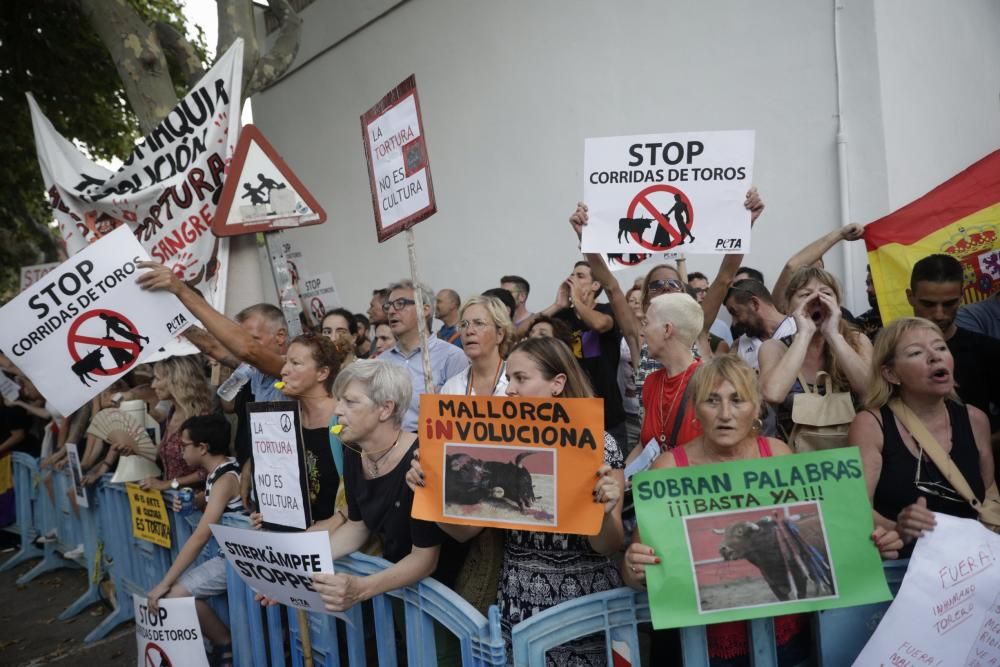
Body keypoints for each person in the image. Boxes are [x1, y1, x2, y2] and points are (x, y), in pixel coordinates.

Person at [623, 355, 902, 665]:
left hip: (785, 637)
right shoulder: (668, 468)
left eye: (738, 400)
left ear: (756, 408)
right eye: (712, 401)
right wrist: (636, 566)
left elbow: (830, 528)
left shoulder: (778, 454)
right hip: (701, 646)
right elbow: (638, 570)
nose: (725, 414)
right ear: (695, 410)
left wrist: (872, 542)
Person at [407, 337, 625, 665]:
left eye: (522, 379)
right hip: (517, 601)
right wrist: (430, 492)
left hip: (583, 609)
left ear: (557, 383)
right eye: (509, 379)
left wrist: (606, 513)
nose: (510, 389)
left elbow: (607, 544)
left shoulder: (600, 445)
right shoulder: (496, 439)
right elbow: (463, 532)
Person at [312, 360, 457, 610]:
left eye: (350, 401)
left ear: (385, 409)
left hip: (440, 601)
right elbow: (358, 526)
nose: (338, 409)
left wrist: (361, 589)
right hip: (396, 588)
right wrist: (304, 567)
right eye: (339, 400)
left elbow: (425, 558)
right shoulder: (353, 451)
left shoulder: (422, 459)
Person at [849, 317, 994, 552]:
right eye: (916, 352)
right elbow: (859, 508)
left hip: (971, 564)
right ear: (890, 374)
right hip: (907, 567)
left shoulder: (975, 420)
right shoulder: (871, 424)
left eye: (941, 347)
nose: (935, 356)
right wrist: (898, 530)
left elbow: (988, 498)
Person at [147, 414, 242, 667]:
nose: (180, 451)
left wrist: (164, 583)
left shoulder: (224, 478)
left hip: (235, 559)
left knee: (174, 596)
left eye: (184, 445)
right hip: (229, 555)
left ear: (203, 447)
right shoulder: (221, 471)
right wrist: (198, 501)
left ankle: (224, 642)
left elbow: (201, 536)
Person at [758, 267, 872, 440]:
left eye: (826, 293)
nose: (817, 300)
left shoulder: (857, 342)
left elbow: (871, 391)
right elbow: (773, 394)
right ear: (788, 308)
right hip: (794, 457)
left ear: (838, 304)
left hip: (851, 457)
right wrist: (804, 334)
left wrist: (833, 335)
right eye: (805, 295)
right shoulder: (774, 347)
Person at [537, 260, 628, 447]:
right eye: (572, 274)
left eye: (580, 276)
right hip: (571, 412)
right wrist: (557, 305)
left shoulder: (606, 309)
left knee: (614, 470)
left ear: (595, 285)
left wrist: (577, 300)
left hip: (607, 413)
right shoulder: (563, 316)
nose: (572, 279)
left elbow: (600, 325)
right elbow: (524, 332)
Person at [907, 254, 1000, 435]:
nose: (939, 314)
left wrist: (980, 447)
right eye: (929, 304)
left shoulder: (988, 350)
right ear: (911, 297)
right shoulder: (890, 351)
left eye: (949, 304)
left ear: (962, 297)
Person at [380, 280, 469, 431]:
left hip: (430, 442)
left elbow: (461, 416)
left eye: (400, 304)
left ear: (425, 309)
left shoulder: (451, 356)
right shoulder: (381, 361)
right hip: (386, 445)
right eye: (388, 306)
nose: (391, 311)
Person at [275, 334, 345, 524]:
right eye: (285, 362)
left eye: (295, 363)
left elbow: (362, 495)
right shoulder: (287, 421)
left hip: (339, 540)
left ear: (322, 373)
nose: (284, 371)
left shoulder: (344, 422)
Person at [140, 356, 214, 491]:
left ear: (176, 380)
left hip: (193, 504)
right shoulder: (172, 412)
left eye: (157, 379)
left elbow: (211, 470)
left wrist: (167, 484)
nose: (153, 385)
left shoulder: (200, 418)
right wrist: (133, 448)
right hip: (172, 501)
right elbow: (166, 451)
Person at [770, 224, 865, 314]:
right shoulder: (785, 320)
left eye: (826, 293)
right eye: (806, 294)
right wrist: (840, 234)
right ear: (787, 304)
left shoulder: (846, 321)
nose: (816, 298)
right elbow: (791, 267)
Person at [440, 296, 514, 396]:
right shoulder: (451, 388)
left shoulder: (518, 383)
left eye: (479, 323)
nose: (469, 331)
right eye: (464, 324)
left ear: (499, 334)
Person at [723, 279, 795, 371]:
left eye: (736, 313)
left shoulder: (798, 329)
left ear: (754, 303)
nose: (734, 323)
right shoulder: (738, 347)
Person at [855, 265, 884, 340]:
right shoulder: (859, 323)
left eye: (875, 283)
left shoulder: (907, 319)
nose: (868, 289)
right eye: (868, 284)